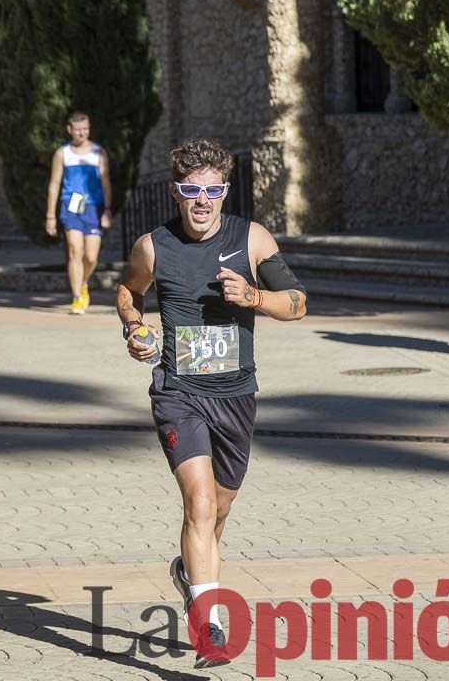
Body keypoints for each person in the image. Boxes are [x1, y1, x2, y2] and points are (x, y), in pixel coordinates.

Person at [115, 138, 308, 668]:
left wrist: (256, 299)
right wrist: (134, 329)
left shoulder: (252, 239)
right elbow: (128, 292)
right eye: (191, 191)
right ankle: (210, 630)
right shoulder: (152, 247)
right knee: (198, 505)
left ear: (225, 191)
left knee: (218, 513)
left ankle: (189, 572)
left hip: (237, 397)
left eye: (213, 191)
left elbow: (297, 303)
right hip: (178, 393)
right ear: (176, 192)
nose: (203, 202)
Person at [45, 112, 112, 314]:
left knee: (91, 257)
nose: (82, 133)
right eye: (78, 129)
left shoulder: (98, 153)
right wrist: (50, 216)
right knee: (75, 250)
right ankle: (76, 298)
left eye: (86, 128)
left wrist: (107, 209)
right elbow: (54, 184)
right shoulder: (62, 153)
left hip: (93, 206)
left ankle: (83, 282)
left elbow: (105, 181)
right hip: (70, 206)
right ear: (70, 129)